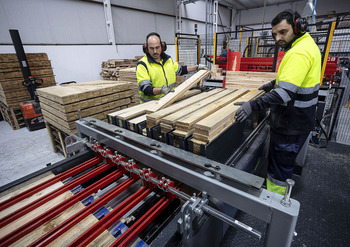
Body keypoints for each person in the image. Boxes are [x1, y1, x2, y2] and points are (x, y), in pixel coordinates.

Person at [235, 9, 321, 195]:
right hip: (298, 120)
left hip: (291, 124)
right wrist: (273, 84)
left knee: (279, 168)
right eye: (275, 34)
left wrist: (252, 105)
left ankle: (275, 201)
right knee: (281, 161)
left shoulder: (298, 52)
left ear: (298, 27)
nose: (277, 38)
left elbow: (284, 94)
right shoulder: (306, 45)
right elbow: (296, 80)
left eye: (283, 32)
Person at [136, 32, 207, 103]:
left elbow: (181, 70)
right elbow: (145, 88)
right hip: (150, 105)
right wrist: (161, 90)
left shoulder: (168, 60)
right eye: (152, 48)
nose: (155, 51)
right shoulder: (142, 65)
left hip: (168, 101)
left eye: (157, 47)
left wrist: (197, 67)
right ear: (146, 48)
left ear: (162, 46)